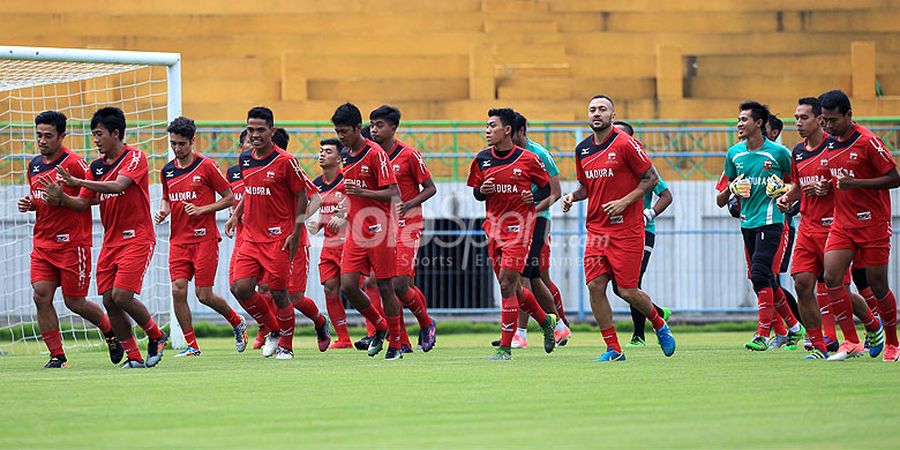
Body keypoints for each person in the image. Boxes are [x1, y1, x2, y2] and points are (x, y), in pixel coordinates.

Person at [43, 107, 166, 369]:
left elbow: (118, 186)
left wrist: (78, 181)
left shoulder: (135, 157)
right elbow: (82, 204)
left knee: (122, 296)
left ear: (116, 133)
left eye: (99, 134)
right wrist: (62, 198)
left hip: (138, 237)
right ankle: (133, 356)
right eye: (93, 134)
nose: (95, 140)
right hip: (111, 241)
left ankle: (156, 335)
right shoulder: (96, 167)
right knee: (109, 300)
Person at [561, 95, 675, 362]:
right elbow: (586, 187)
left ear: (613, 115)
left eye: (602, 109)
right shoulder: (583, 150)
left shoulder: (626, 144)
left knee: (626, 290)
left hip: (628, 229)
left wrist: (625, 202)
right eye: (592, 110)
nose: (596, 113)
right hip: (598, 231)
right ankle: (613, 348)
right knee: (595, 286)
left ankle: (659, 323)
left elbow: (651, 178)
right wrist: (571, 197)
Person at [776, 96, 884, 360]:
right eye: (796, 118)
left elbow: (846, 184)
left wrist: (828, 188)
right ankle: (819, 346)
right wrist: (788, 197)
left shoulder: (834, 146)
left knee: (839, 289)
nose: (798, 123)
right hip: (808, 226)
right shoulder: (798, 152)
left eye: (804, 118)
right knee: (802, 283)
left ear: (820, 120)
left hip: (835, 225)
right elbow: (800, 185)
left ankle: (869, 326)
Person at [20, 110, 119, 368]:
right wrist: (32, 203)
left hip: (72, 243)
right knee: (41, 295)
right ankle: (57, 355)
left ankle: (110, 330)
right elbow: (42, 198)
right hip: (43, 242)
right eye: (39, 135)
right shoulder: (35, 165)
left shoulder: (74, 164)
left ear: (62, 136)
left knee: (74, 301)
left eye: (48, 136)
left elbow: (93, 197)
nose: (42, 141)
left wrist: (62, 199)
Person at [467, 107, 558, 360]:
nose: (487, 131)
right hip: (493, 228)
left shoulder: (528, 159)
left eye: (492, 126)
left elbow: (546, 189)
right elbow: (477, 193)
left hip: (520, 228)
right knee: (513, 288)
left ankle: (505, 348)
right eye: (486, 126)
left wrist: (534, 197)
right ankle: (546, 321)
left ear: (507, 130)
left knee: (507, 285)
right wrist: (482, 190)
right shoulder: (482, 158)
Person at [224, 106, 314, 360]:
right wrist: (235, 215)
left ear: (271, 131)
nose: (255, 134)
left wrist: (295, 231)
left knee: (279, 292)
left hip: (278, 236)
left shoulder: (286, 161)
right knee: (240, 288)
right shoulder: (245, 159)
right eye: (251, 129)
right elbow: (250, 192)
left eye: (260, 130)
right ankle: (273, 328)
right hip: (251, 237)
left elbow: (302, 195)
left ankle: (286, 344)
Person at [154, 116, 247, 357]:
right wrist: (164, 210)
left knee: (203, 295)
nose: (177, 148)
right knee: (177, 290)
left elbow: (229, 197)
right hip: (178, 240)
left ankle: (237, 322)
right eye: (173, 143)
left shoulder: (207, 166)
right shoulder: (168, 170)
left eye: (181, 143)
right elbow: (166, 197)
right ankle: (192, 345)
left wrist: (202, 209)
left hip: (204, 238)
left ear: (192, 141)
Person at [817, 89, 899, 361]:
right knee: (831, 277)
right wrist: (824, 186)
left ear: (849, 115)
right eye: (824, 120)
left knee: (878, 286)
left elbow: (894, 177)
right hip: (842, 223)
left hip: (873, 223)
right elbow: (838, 178)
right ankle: (853, 340)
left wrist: (857, 184)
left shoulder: (868, 142)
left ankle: (893, 342)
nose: (828, 126)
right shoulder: (830, 143)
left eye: (833, 120)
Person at [719, 101, 804, 351]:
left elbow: (797, 187)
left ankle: (761, 335)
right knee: (761, 279)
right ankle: (794, 327)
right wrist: (731, 189)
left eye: (743, 120)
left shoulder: (778, 153)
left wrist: (784, 190)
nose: (739, 124)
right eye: (737, 120)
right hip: (747, 224)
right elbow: (720, 199)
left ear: (759, 123)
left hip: (774, 222)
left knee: (760, 275)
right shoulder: (734, 154)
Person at [332, 103, 405, 360]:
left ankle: (395, 343)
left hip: (379, 229)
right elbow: (351, 192)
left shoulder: (375, 153)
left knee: (385, 286)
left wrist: (364, 192)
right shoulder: (345, 154)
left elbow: (394, 194)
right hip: (355, 229)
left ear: (356, 128)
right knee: (349, 285)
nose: (341, 137)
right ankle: (380, 326)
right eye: (337, 132)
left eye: (344, 131)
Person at [369, 105, 438, 353]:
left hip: (409, 224)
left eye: (380, 125)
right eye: (372, 124)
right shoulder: (371, 156)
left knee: (398, 284)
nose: (374, 129)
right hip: (382, 227)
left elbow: (430, 188)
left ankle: (426, 323)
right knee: (389, 284)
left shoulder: (409, 155)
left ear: (393, 128)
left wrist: (408, 204)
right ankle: (403, 341)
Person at [500, 112, 571, 349]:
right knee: (534, 277)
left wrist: (530, 210)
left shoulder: (539, 154)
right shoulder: (504, 157)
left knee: (528, 276)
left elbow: (555, 191)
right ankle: (559, 326)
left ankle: (521, 333)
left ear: (519, 131)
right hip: (513, 224)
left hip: (538, 221)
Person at [612, 120, 674, 348]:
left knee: (631, 283)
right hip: (614, 232)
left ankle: (639, 335)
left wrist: (649, 213)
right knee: (617, 288)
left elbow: (666, 195)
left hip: (642, 231)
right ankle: (657, 312)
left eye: (619, 134)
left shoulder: (643, 168)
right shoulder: (608, 167)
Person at [309, 138, 355, 348]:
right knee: (330, 288)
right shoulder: (317, 183)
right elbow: (324, 209)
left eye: (327, 151)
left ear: (338, 158)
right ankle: (343, 338)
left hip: (349, 242)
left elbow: (359, 204)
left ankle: (378, 329)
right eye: (321, 151)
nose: (322, 154)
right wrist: (318, 223)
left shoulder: (347, 180)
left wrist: (345, 214)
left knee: (354, 288)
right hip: (329, 243)